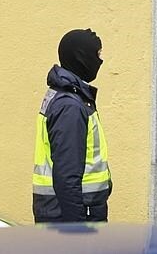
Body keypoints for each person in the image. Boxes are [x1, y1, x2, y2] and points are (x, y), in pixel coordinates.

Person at [32, 28, 112, 223]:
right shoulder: (70, 106)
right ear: (81, 57)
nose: (100, 60)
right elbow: (67, 177)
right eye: (97, 54)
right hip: (71, 219)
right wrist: (77, 231)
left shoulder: (70, 98)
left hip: (66, 214)